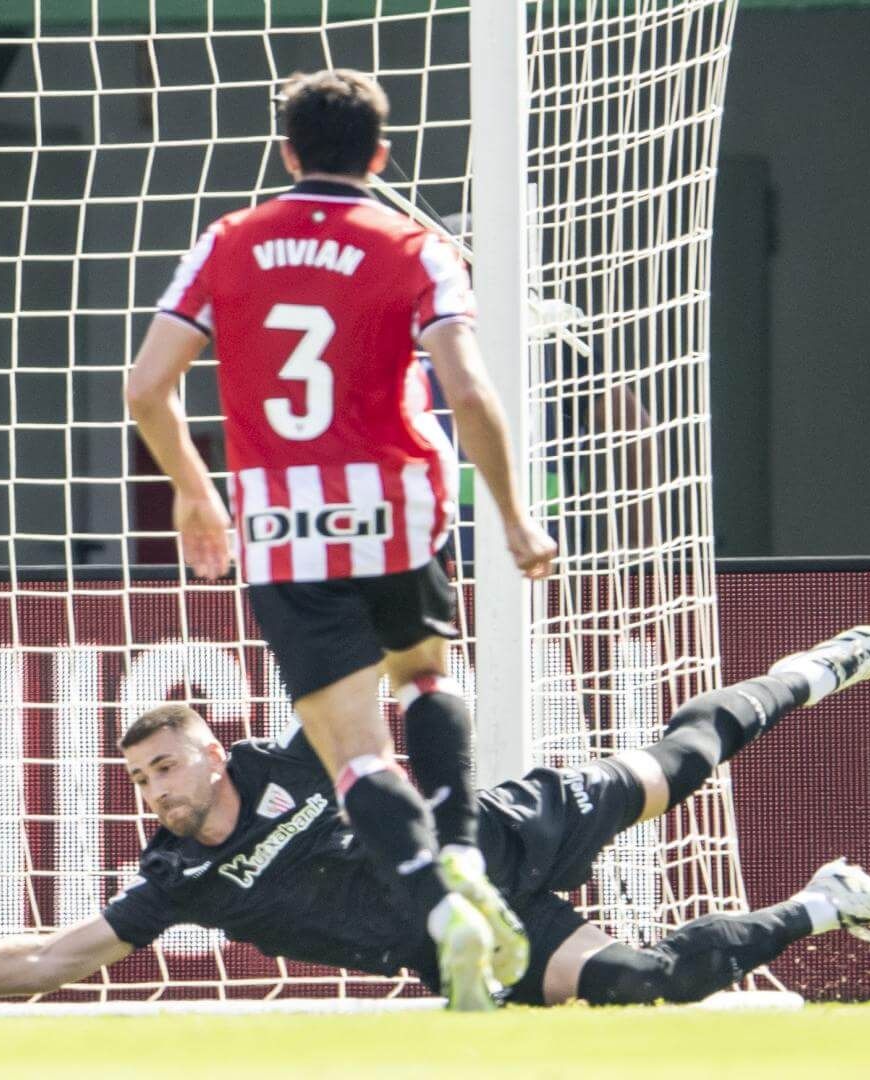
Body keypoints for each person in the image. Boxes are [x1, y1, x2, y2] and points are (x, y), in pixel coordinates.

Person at [0, 627, 870, 1008]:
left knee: (682, 761)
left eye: (166, 764)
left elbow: (395, 672)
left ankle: (812, 668)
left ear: (212, 745)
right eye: (141, 782)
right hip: (471, 945)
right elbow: (64, 955)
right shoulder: (179, 877)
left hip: (502, 835)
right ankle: (824, 901)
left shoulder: (299, 748)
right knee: (645, 985)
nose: (155, 790)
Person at [123, 68, 558, 1006]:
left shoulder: (228, 243)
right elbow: (471, 389)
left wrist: (196, 496)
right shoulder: (413, 245)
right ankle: (467, 859)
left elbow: (146, 387)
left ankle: (440, 908)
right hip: (395, 509)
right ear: (380, 155)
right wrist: (514, 512)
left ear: (286, 153)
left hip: (284, 529)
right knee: (427, 677)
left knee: (357, 750)